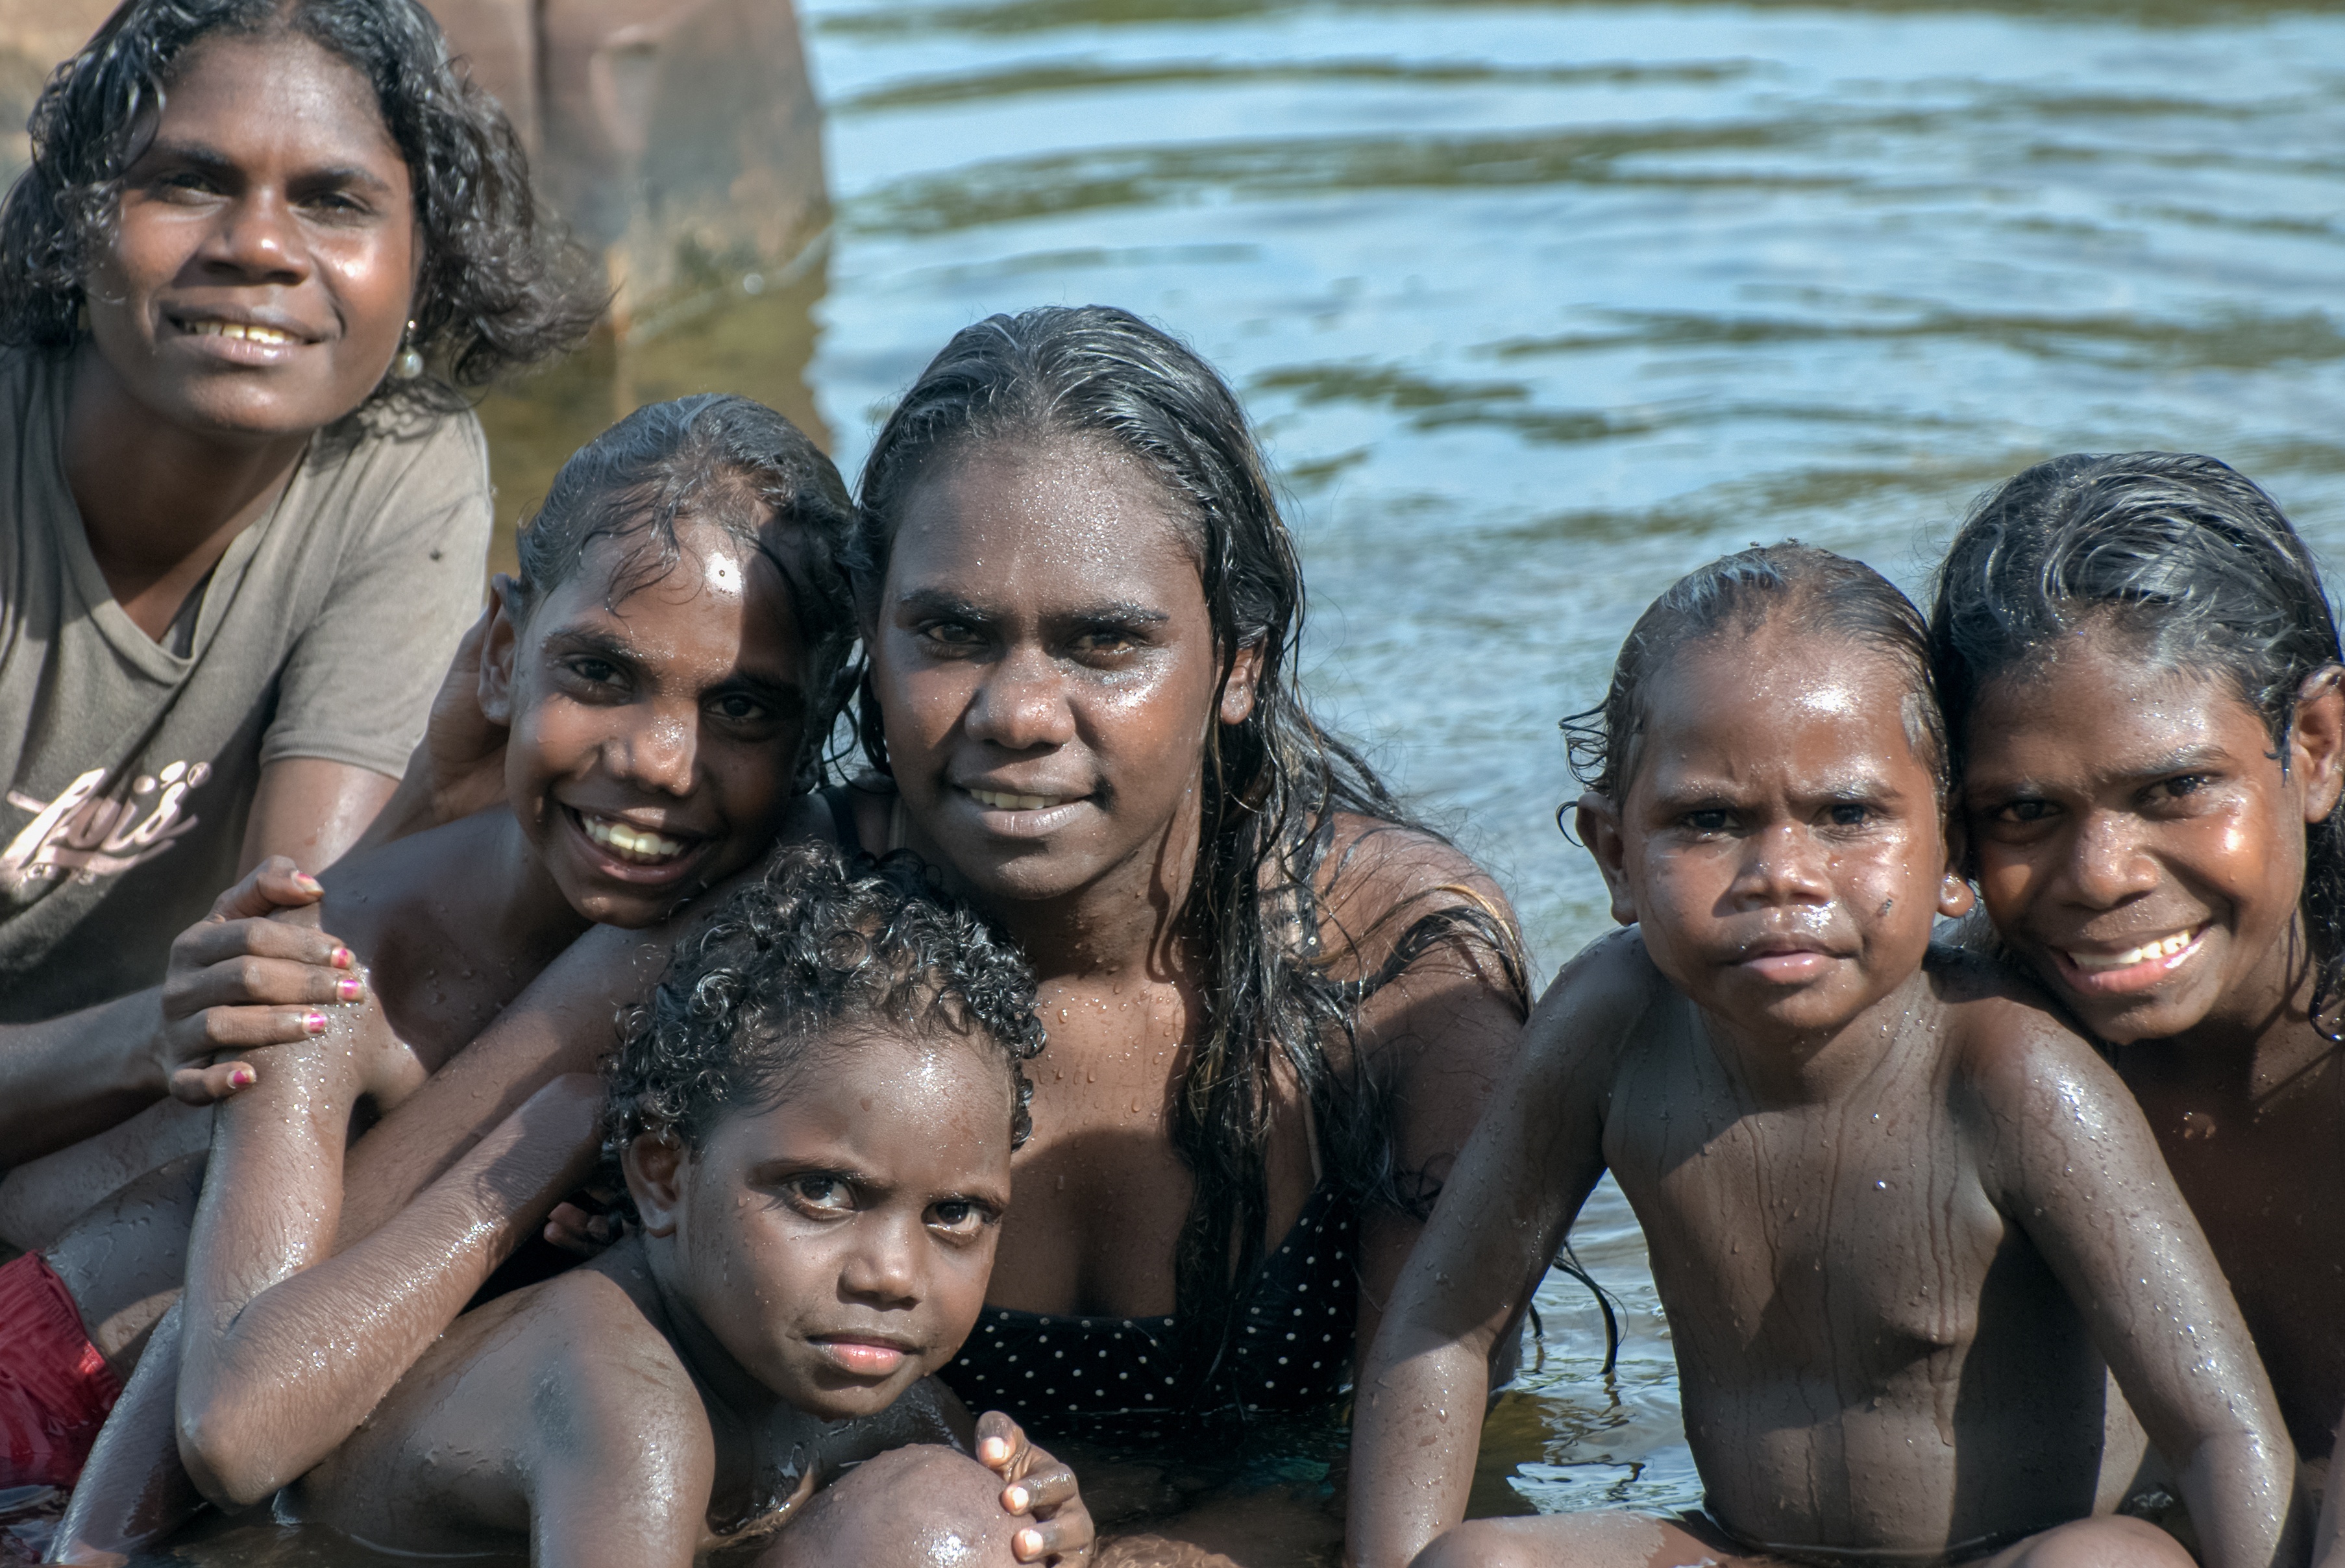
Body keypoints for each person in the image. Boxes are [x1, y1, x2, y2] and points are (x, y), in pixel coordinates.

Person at [0, 393, 855, 1547]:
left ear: (818, 730)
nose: (659, 761)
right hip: (5, 1415)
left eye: (744, 709)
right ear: (502, 658)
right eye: (601, 674)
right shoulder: (342, 961)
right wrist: (552, 1136)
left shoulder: (779, 894)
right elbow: (219, 1415)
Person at [0, 0, 598, 1262]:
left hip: (108, 1130)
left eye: (335, 201)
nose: (259, 247)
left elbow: (304, 954)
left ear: (422, 263)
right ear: (80, 223)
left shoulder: (400, 468)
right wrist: (183, 1022)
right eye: (190, 183)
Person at [1344, 543, 2302, 1568]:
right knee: (1478, 1565)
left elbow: (2223, 1431)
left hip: (2011, 1554)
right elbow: (1440, 1330)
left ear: (1952, 857)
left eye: (1846, 814)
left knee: (2105, 1565)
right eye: (1708, 821)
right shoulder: (1611, 1021)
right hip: (1734, 1548)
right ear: (1614, 856)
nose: (1781, 876)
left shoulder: (2011, 1075)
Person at [824, 305, 1525, 1553]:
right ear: (871, 638)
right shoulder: (789, 939)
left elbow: (1430, 1462)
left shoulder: (1401, 978)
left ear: (1238, 662)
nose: (1022, 712)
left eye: (1105, 643)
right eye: (952, 633)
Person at [187, 843, 1092, 1565]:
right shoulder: (626, 1403)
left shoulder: (877, 1399)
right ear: (661, 1176)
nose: (893, 1274)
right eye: (821, 1193)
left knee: (968, 1520)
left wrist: (1051, 1526)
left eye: (955, 1216)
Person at [1930, 453, 2345, 1563]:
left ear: (2313, 749)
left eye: (2172, 790)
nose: (2101, 874)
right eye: (2022, 810)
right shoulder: (1975, 1052)